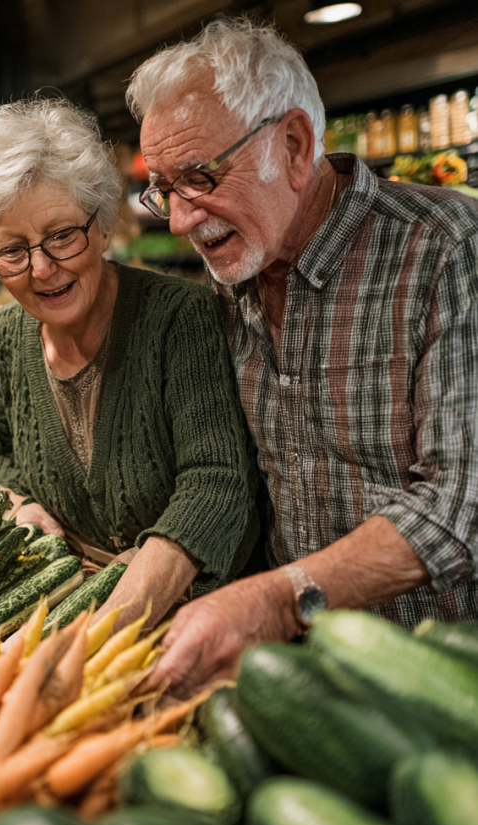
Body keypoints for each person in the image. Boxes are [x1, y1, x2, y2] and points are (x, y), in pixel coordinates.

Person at [126, 18, 478, 697]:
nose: (181, 219)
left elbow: (461, 503)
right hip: (298, 678)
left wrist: (280, 599)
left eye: (200, 176)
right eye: (166, 189)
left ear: (292, 145)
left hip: (440, 684)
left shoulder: (447, 250)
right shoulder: (235, 281)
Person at [0, 97, 261, 628]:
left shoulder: (179, 318)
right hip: (63, 607)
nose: (42, 269)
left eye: (62, 236)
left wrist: (110, 620)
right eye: (13, 251)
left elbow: (216, 480)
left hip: (190, 619)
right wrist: (16, 503)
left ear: (104, 226)